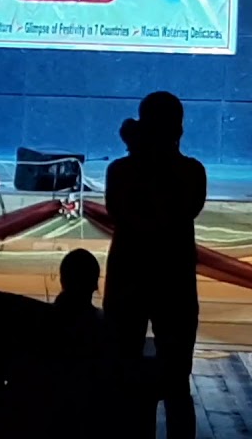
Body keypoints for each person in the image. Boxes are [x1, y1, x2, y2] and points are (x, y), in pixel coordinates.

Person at [104, 92, 206, 439]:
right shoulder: (192, 172)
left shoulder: (120, 171)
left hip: (127, 279)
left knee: (123, 373)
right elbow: (181, 211)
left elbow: (123, 214)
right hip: (174, 282)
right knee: (177, 382)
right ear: (179, 127)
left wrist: (138, 152)